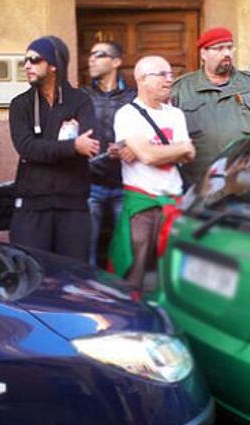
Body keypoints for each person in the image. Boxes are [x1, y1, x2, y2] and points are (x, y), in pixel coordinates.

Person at [8, 35, 100, 262]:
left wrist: (48, 147)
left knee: (72, 277)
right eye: (25, 61)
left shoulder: (81, 101)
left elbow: (89, 145)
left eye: (35, 59)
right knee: (31, 273)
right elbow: (27, 148)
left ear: (53, 65)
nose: (27, 65)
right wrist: (72, 146)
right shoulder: (20, 104)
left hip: (73, 206)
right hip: (32, 205)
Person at [108, 56, 195, 291]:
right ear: (142, 79)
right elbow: (150, 156)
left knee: (171, 273)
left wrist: (147, 150)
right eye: (163, 74)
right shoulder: (127, 114)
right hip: (141, 206)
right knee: (135, 272)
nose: (170, 80)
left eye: (171, 74)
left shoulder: (175, 115)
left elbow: (190, 153)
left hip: (174, 204)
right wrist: (176, 149)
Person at [171, 27, 250, 188]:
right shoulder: (181, 89)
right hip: (199, 183)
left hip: (246, 179)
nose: (227, 53)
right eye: (219, 49)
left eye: (230, 47)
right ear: (203, 53)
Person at [83, 41, 136, 267]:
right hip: (90, 183)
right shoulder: (82, 96)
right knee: (87, 249)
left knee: (123, 250)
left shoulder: (134, 96)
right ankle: (90, 297)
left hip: (124, 183)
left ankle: (123, 296)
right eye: (91, 54)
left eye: (99, 55)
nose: (91, 59)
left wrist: (129, 147)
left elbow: (145, 134)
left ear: (116, 62)